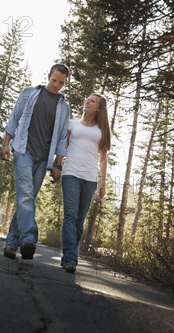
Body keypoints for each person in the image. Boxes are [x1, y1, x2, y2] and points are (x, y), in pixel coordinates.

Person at [0, 64, 71, 260]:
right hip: (23, 151)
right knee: (25, 195)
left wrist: (58, 165)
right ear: (48, 76)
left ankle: (12, 243)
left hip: (43, 159)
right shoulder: (30, 94)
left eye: (61, 82)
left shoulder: (64, 107)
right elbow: (14, 119)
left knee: (27, 198)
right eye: (54, 80)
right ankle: (29, 239)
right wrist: (6, 144)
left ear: (64, 83)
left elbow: (63, 139)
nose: (56, 85)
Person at [59, 93, 111, 273]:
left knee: (79, 221)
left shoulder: (101, 130)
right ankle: (71, 258)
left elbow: (103, 158)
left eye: (92, 101)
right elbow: (61, 146)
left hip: (90, 178)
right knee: (71, 216)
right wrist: (57, 165)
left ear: (99, 108)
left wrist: (103, 183)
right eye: (87, 99)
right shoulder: (72, 124)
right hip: (71, 173)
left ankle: (69, 255)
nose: (87, 102)